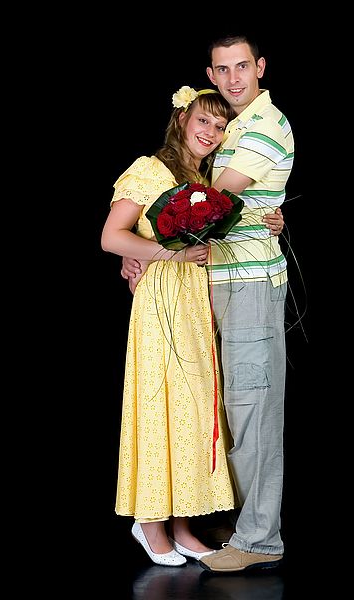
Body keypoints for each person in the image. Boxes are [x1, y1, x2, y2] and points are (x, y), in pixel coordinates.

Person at [122, 34, 294, 573]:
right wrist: (141, 251)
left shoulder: (265, 125)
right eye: (224, 69)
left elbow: (208, 203)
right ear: (211, 76)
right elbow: (181, 205)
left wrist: (147, 246)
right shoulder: (227, 128)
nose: (236, 77)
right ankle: (224, 520)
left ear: (260, 66)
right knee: (208, 408)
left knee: (252, 410)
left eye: (244, 66)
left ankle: (260, 537)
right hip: (203, 288)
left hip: (246, 284)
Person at [101, 87, 241, 567]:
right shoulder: (149, 169)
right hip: (161, 301)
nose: (211, 132)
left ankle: (183, 522)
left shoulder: (203, 179)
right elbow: (111, 236)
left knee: (193, 408)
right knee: (161, 405)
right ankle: (150, 522)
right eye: (204, 120)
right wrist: (168, 255)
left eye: (220, 127)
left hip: (193, 306)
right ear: (182, 118)